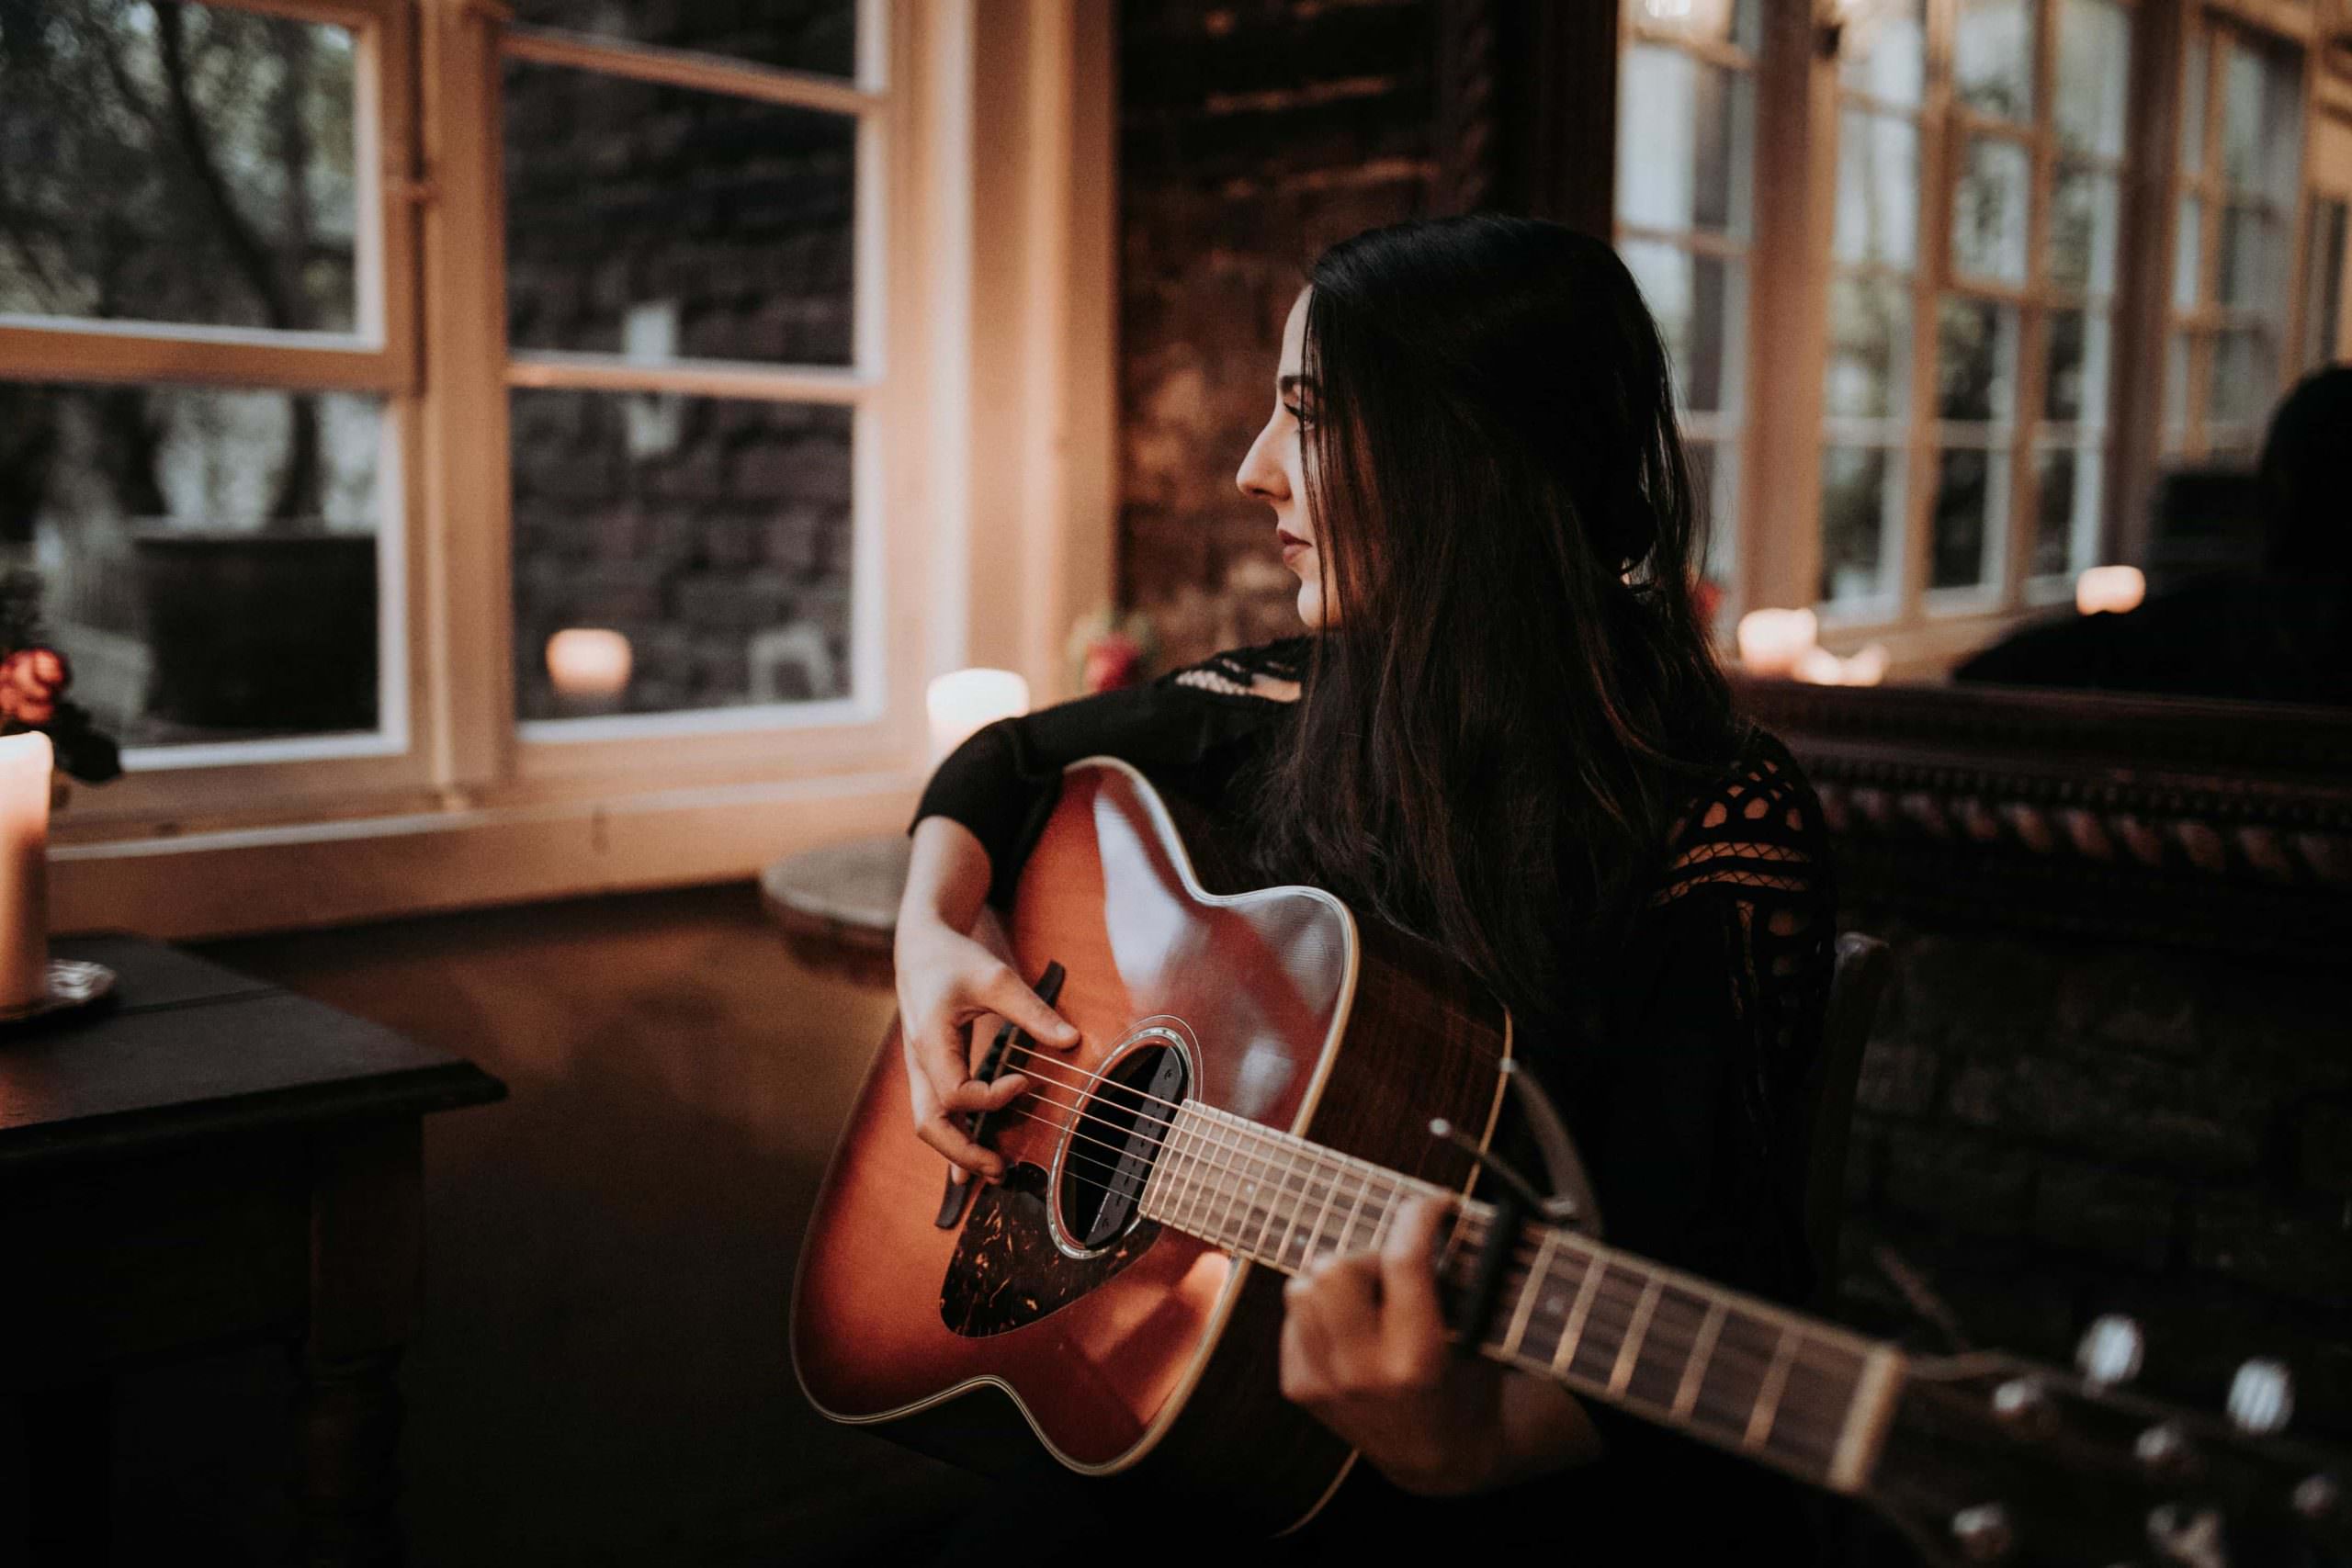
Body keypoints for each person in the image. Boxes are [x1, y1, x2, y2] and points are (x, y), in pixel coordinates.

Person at [892, 214, 1837, 1561]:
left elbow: (1718, 1292)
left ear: (1474, 460)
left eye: (1310, 420)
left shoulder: (1711, 813)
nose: (1250, 472)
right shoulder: (1292, 697)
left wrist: (1477, 1445)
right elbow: (1007, 758)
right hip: (1205, 1406)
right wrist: (931, 937)